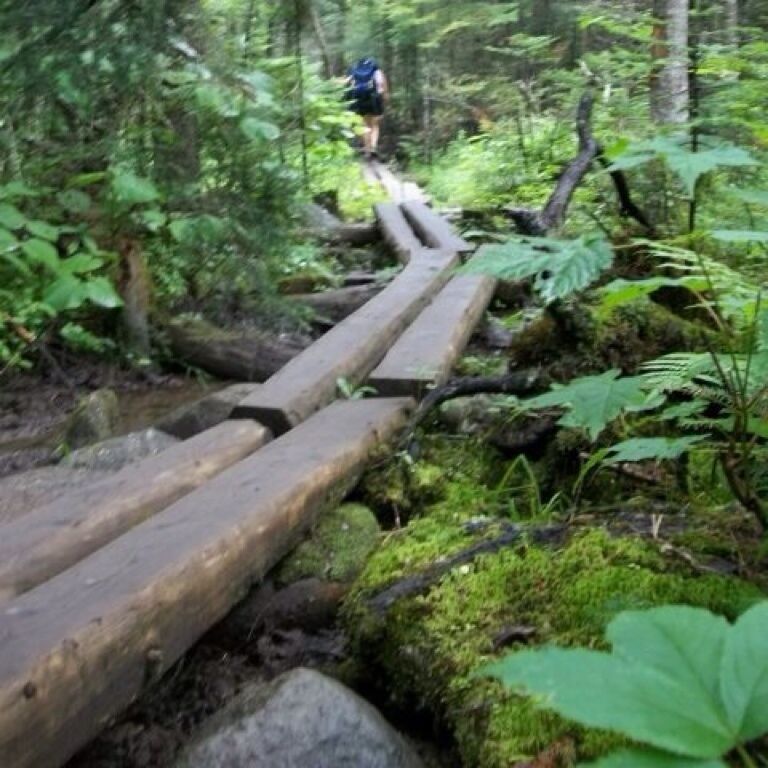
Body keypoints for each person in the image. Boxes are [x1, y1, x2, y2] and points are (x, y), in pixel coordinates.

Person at [346, 57, 389, 159]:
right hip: (373, 98)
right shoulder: (375, 69)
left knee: (364, 125)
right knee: (374, 125)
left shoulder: (355, 69)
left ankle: (367, 150)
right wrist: (385, 96)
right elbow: (381, 84)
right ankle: (373, 147)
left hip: (360, 99)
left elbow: (348, 83)